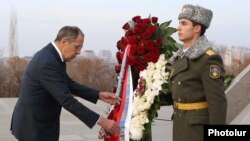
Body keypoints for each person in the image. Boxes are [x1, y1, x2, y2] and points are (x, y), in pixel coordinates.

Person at [10, 26, 121, 141]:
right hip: (33, 127)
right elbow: (67, 100)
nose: (78, 52)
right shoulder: (48, 62)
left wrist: (99, 95)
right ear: (64, 42)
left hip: (40, 122)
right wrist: (102, 121)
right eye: (77, 47)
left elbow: (68, 83)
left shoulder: (54, 55)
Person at [169, 4, 227, 141]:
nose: (178, 27)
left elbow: (217, 102)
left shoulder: (208, 59)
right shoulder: (179, 57)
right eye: (179, 23)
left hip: (197, 130)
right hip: (180, 125)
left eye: (184, 23)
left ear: (196, 28)